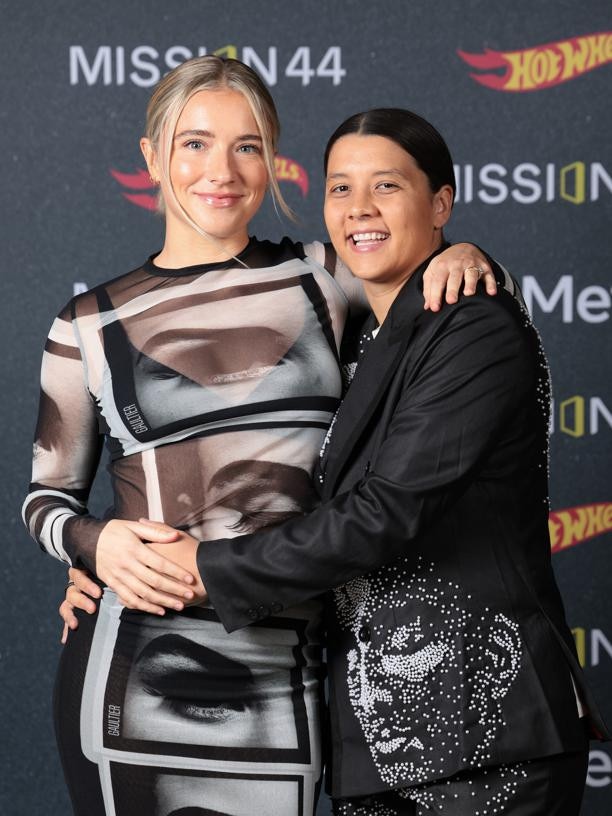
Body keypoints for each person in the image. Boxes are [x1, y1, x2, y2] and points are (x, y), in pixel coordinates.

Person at [85, 107, 606, 815]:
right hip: (374, 740)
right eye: (338, 189)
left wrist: (201, 570)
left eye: (386, 186)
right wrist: (104, 551)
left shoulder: (475, 325)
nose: (359, 208)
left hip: (485, 736)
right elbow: (232, 453)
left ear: (441, 203)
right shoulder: (354, 335)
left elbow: (384, 515)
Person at [24, 55, 494, 816]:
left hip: (293, 676)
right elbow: (46, 498)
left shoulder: (323, 276)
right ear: (151, 156)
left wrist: (467, 255)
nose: (223, 170)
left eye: (247, 146)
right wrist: (93, 545)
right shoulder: (86, 325)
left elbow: (421, 267)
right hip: (133, 667)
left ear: (272, 160)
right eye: (195, 143)